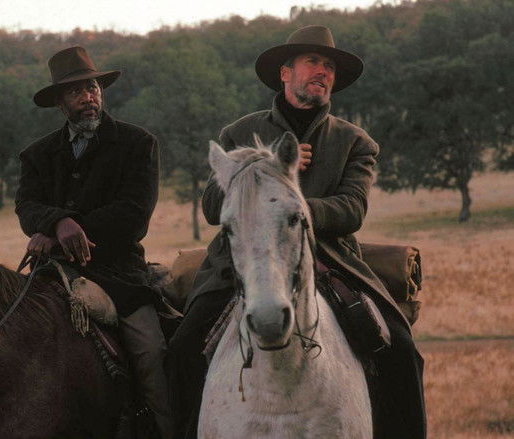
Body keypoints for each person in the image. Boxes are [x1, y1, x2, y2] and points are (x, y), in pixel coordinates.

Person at [166, 25, 426, 439]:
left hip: (330, 260)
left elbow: (352, 209)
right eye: (313, 62)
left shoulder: (355, 141)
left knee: (401, 349)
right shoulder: (238, 133)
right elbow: (213, 207)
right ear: (285, 73)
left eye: (329, 67)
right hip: (244, 258)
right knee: (182, 350)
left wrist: (292, 207)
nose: (322, 72)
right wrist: (265, 167)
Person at [15, 46, 172, 439]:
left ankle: (169, 430)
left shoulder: (138, 143)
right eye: (76, 91)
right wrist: (58, 221)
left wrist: (62, 231)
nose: (88, 97)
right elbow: (26, 207)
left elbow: (134, 216)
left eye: (93, 88)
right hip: (52, 276)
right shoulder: (37, 155)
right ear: (60, 102)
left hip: (120, 277)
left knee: (151, 353)